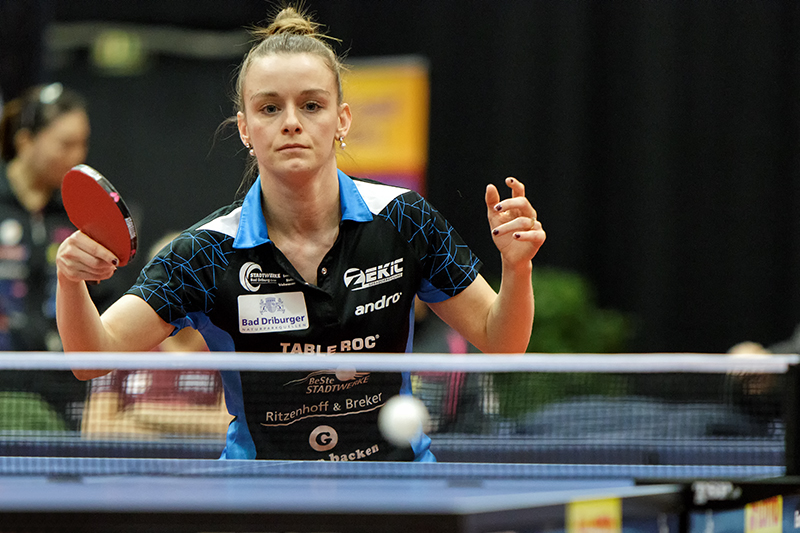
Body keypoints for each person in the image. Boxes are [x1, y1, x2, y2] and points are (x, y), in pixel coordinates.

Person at [55, 7, 546, 461]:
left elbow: (501, 341)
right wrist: (70, 280)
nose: (291, 123)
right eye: (270, 108)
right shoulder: (205, 254)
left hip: (397, 484)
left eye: (311, 105)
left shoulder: (404, 219)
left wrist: (516, 266)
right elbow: (90, 359)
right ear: (245, 129)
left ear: (342, 119)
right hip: (261, 493)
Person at [0, 83, 111, 429]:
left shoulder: (81, 214)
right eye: (65, 144)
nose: (77, 156)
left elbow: (107, 301)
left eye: (82, 143)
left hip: (64, 391)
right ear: (25, 142)